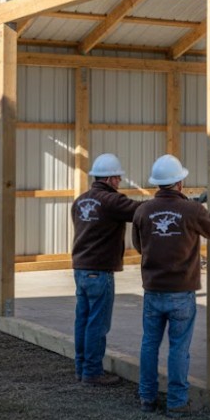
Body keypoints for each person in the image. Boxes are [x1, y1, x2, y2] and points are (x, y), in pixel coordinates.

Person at [132, 154, 210, 417]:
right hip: (181, 293)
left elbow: (140, 246)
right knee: (179, 349)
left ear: (158, 183)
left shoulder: (142, 210)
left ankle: (147, 398)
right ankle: (176, 403)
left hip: (152, 292)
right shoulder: (192, 211)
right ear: (179, 182)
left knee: (149, 345)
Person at [71, 153, 143, 386]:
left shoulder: (79, 201)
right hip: (100, 271)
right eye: (118, 178)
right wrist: (184, 203)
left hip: (80, 269)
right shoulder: (112, 201)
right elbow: (144, 212)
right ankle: (92, 372)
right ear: (112, 178)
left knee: (83, 320)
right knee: (98, 324)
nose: (119, 182)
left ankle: (81, 367)